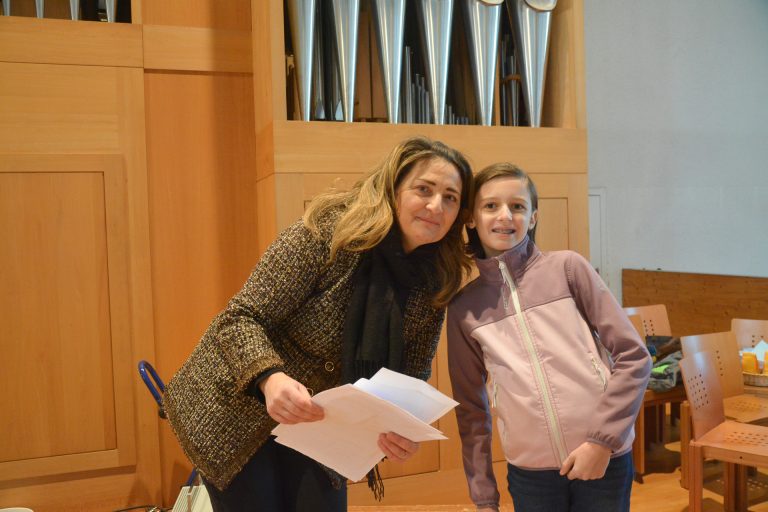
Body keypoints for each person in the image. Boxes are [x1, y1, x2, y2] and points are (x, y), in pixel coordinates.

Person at [163, 136, 474, 512]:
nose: (435, 206)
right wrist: (270, 378)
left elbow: (410, 376)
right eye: (423, 189)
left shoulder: (434, 279)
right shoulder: (328, 232)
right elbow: (240, 318)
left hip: (322, 426)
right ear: (393, 189)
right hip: (236, 406)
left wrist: (400, 428)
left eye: (450, 197)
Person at [447, 163, 651, 512]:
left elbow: (635, 357)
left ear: (534, 216)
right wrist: (483, 498)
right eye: (491, 206)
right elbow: (470, 411)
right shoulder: (465, 308)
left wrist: (601, 442)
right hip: (531, 473)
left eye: (518, 206)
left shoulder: (568, 268)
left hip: (603, 458)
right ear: (471, 218)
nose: (505, 216)